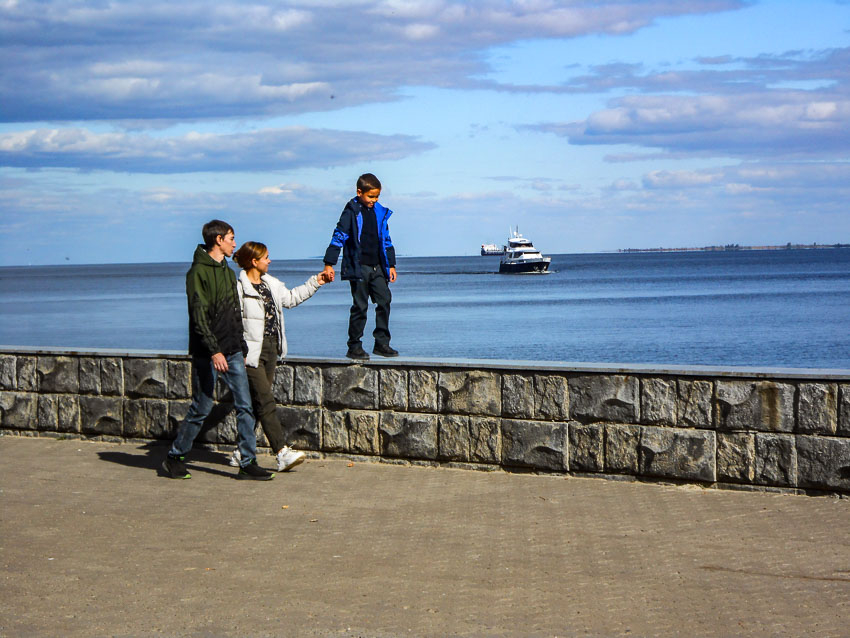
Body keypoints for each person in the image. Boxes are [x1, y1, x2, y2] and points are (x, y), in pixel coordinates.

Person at [162, 220, 274, 481]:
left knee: (245, 406)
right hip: (207, 352)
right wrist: (214, 351)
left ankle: (248, 462)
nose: (235, 243)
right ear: (218, 240)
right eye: (231, 238)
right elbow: (198, 316)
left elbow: (235, 310)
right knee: (202, 407)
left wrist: (241, 345)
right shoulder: (197, 273)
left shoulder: (226, 271)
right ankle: (175, 456)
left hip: (233, 350)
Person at [229, 241, 331, 472]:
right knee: (265, 401)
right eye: (266, 257)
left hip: (271, 349)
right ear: (254, 261)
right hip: (250, 354)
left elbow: (291, 299)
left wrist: (316, 282)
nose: (270, 260)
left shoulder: (271, 284)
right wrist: (239, 352)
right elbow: (232, 322)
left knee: (259, 404)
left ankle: (240, 451)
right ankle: (281, 452)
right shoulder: (238, 288)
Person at [323, 173, 398, 360]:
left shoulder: (380, 212)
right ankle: (354, 346)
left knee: (384, 300)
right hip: (359, 267)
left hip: (378, 267)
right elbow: (338, 236)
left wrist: (391, 265)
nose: (374, 200)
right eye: (371, 196)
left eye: (377, 196)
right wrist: (329, 264)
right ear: (359, 192)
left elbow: (386, 240)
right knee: (360, 307)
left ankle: (382, 343)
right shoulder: (351, 212)